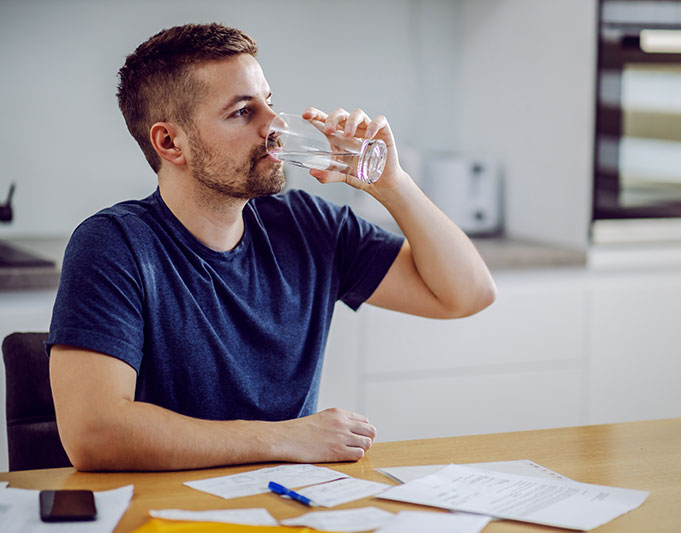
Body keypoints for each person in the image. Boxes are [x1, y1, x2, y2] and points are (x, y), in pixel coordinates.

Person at [47, 23, 495, 472]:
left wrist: (391, 184)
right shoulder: (114, 244)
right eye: (242, 112)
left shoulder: (306, 225)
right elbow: (95, 434)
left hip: (289, 504)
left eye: (270, 103)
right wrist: (287, 437)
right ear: (170, 143)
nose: (276, 125)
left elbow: (467, 294)